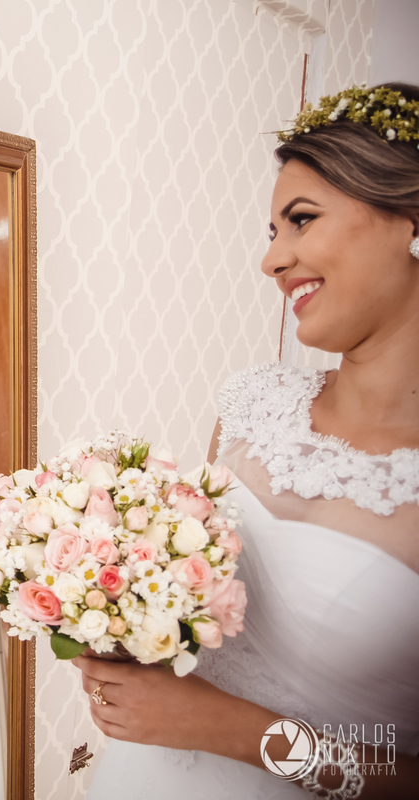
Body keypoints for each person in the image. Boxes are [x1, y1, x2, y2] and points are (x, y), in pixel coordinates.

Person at [75, 85, 419, 798]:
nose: (273, 261)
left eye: (300, 220)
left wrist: (234, 732)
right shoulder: (253, 402)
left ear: (409, 220)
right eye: (273, 234)